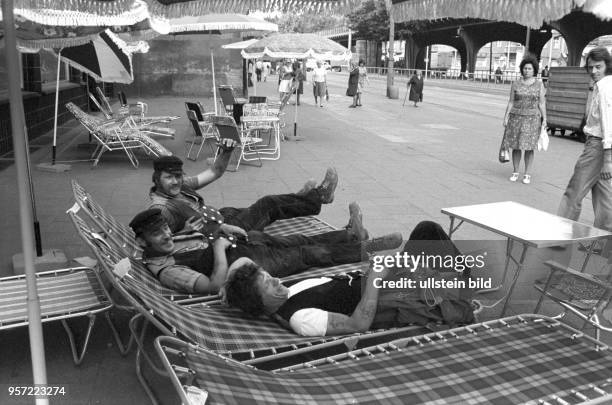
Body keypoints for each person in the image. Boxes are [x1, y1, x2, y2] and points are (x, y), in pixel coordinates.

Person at [225, 221, 475, 336]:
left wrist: (229, 287)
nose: (276, 280)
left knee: (426, 230)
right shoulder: (301, 318)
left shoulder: (279, 294)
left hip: (381, 279)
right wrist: (377, 276)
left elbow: (245, 263)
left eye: (269, 276)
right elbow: (358, 325)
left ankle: (454, 276)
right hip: (388, 295)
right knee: (431, 238)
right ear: (259, 303)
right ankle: (461, 282)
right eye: (268, 284)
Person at [130, 206, 403, 294]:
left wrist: (223, 231)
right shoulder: (168, 272)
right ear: (143, 242)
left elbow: (196, 241)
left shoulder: (164, 245)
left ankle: (348, 235)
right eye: (158, 233)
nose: (166, 234)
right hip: (247, 266)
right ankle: (364, 250)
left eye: (165, 228)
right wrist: (220, 248)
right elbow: (213, 285)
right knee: (309, 255)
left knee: (297, 239)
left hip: (243, 248)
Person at [148, 155, 340, 237]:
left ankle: (300, 199)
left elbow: (215, 171)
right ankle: (317, 198)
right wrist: (184, 232)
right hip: (216, 234)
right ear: (157, 179)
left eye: (178, 176)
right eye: (169, 177)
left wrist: (226, 149)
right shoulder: (161, 209)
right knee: (267, 204)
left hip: (217, 218)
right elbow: (161, 244)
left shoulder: (180, 186)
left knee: (240, 209)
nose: (175, 181)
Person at [557, 47, 612, 254]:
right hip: (601, 146)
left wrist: (607, 158)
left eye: (598, 66)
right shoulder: (603, 85)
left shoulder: (605, 87)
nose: (594, 71)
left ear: (607, 65)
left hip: (597, 146)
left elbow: (609, 121)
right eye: (590, 67)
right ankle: (604, 241)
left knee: (574, 191)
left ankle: (560, 236)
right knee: (604, 196)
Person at [501, 56, 547, 185]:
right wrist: (505, 117)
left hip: (532, 119)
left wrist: (545, 119)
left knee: (529, 147)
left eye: (529, 69)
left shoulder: (539, 84)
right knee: (516, 146)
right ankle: (515, 171)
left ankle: (527, 174)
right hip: (516, 118)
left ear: (534, 70)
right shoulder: (515, 83)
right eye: (525, 68)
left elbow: (542, 103)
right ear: (522, 70)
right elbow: (511, 102)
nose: (527, 71)